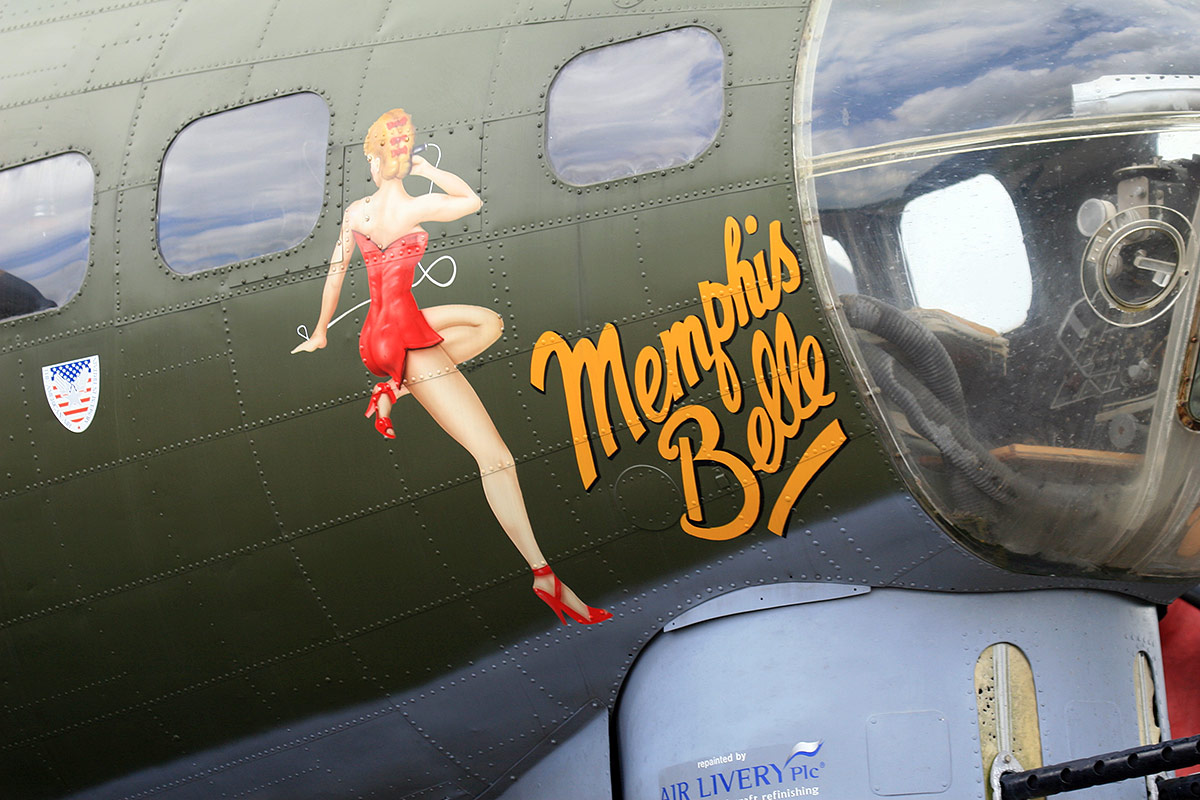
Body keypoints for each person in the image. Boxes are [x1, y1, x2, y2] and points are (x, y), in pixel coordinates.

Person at [292, 108, 609, 626]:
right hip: (405, 339)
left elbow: (336, 270)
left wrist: (323, 330)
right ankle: (543, 574)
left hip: (380, 332)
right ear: (401, 160)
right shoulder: (415, 208)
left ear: (373, 162)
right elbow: (471, 201)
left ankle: (394, 389)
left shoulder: (356, 213)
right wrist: (431, 171)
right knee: (496, 458)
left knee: (487, 323)